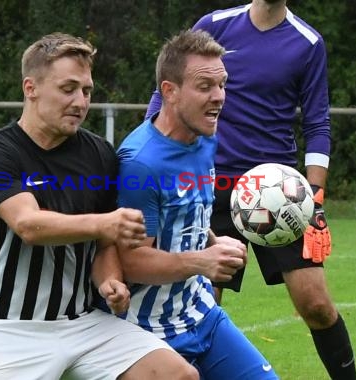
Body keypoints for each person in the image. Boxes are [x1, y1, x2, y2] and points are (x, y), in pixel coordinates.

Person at [0, 32, 199, 380]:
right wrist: (105, 223)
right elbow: (28, 225)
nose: (80, 101)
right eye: (68, 88)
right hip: (10, 328)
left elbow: (105, 245)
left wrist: (109, 281)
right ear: (31, 88)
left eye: (86, 91)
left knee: (178, 375)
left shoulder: (99, 154)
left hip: (83, 323)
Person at [145, 1, 356, 379]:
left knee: (317, 305)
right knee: (202, 305)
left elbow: (317, 121)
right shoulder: (215, 25)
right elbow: (167, 95)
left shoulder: (308, 43)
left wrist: (316, 196)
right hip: (209, 185)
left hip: (279, 193)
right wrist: (153, 154)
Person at [112, 29, 278, 380]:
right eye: (205, 87)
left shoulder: (206, 136)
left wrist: (215, 243)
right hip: (146, 329)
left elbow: (188, 212)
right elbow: (130, 262)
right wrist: (202, 262)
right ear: (169, 92)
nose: (219, 97)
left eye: (223, 85)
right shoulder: (141, 164)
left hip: (201, 313)